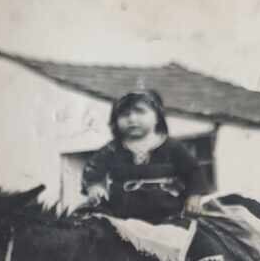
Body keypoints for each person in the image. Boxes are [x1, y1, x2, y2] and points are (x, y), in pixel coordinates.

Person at [81, 89, 208, 223]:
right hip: (121, 216)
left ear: (157, 117)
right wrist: (94, 187)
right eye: (124, 114)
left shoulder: (173, 147)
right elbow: (92, 169)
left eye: (140, 112)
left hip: (168, 215)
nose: (132, 119)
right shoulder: (112, 149)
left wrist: (194, 196)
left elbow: (194, 172)